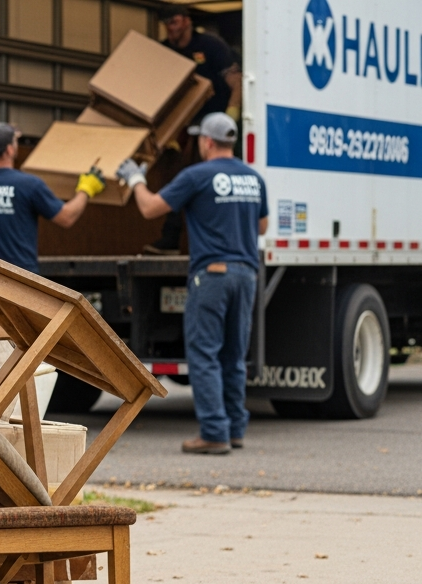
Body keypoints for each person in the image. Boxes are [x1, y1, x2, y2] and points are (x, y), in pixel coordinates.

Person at [118, 113, 268, 455]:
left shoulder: (197, 176)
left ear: (208, 142)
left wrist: (135, 179)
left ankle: (214, 432)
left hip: (212, 275)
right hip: (246, 274)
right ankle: (234, 429)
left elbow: (151, 209)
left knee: (204, 354)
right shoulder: (253, 178)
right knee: (233, 355)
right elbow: (262, 226)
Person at [145, 8, 243, 255]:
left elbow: (237, 83)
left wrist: (229, 120)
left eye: (175, 21)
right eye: (167, 23)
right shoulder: (164, 51)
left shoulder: (211, 46)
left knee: (206, 181)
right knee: (178, 177)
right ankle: (171, 238)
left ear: (187, 22)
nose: (171, 27)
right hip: (182, 127)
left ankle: (218, 240)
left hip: (215, 127)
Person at [0, 122, 103, 273]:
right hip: (20, 278)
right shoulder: (28, 185)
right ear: (9, 149)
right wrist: (86, 189)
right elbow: (66, 217)